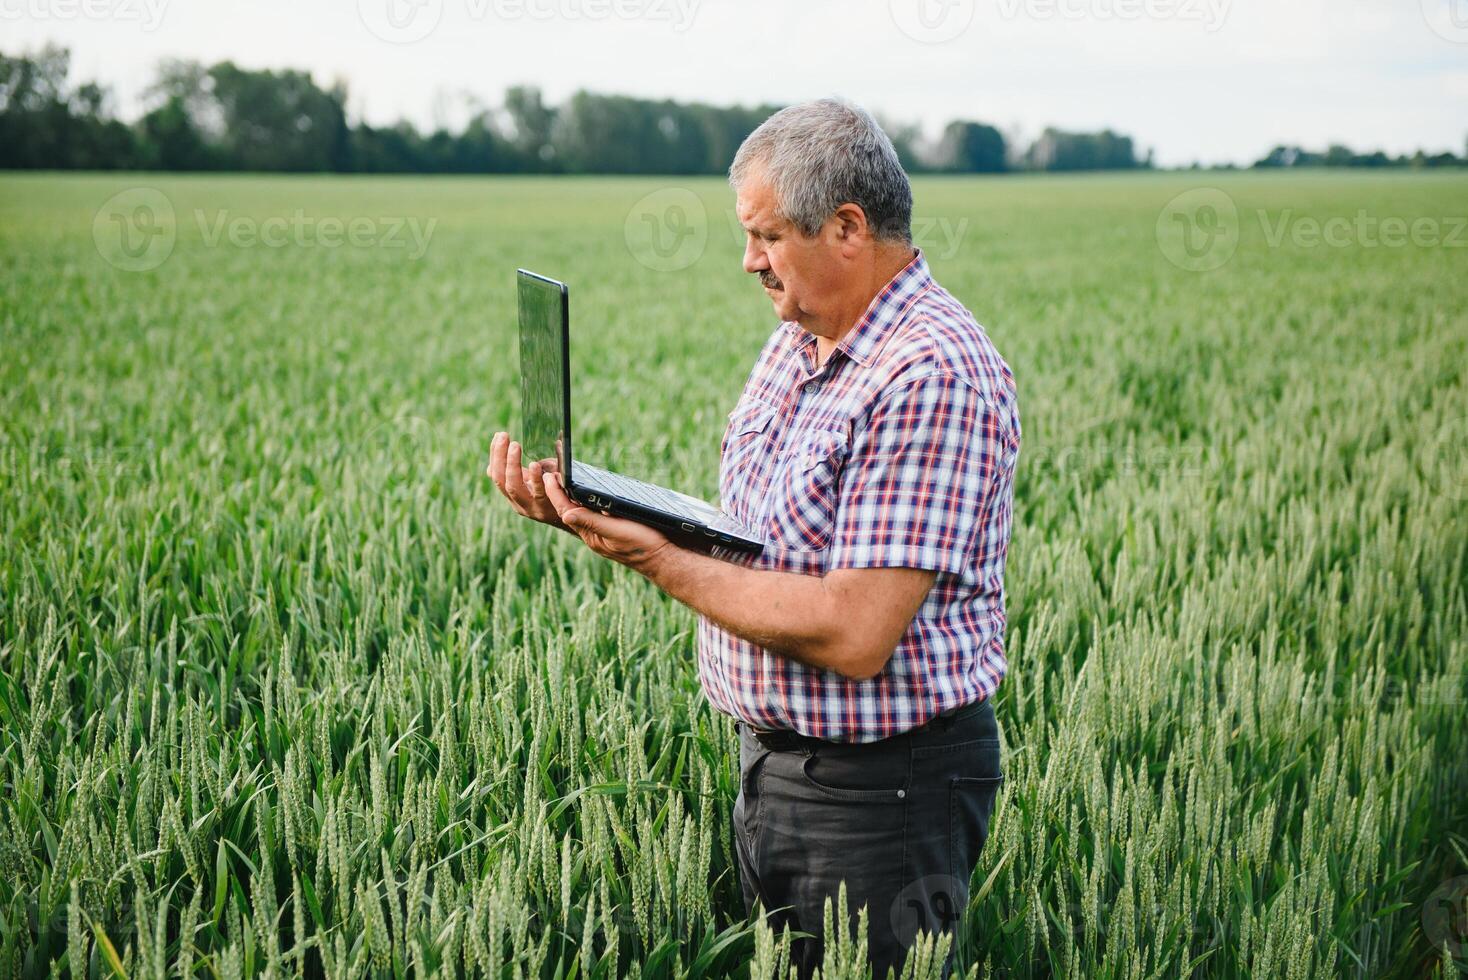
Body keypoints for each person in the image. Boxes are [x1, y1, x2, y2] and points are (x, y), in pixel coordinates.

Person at [487, 97, 1019, 977]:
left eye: (766, 236)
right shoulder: (801, 340)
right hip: (776, 770)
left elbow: (855, 632)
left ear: (846, 227)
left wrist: (656, 557)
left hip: (883, 793)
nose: (749, 262)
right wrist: (612, 509)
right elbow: (761, 541)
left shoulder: (932, 375)